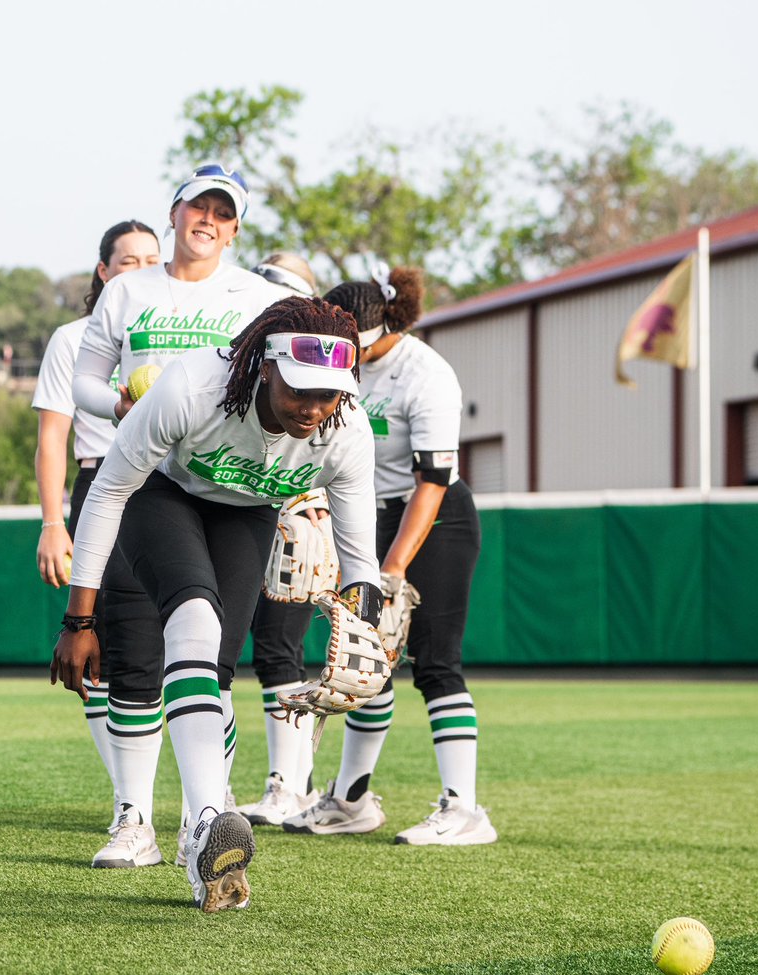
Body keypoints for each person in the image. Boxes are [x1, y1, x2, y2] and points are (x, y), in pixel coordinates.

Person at [51, 296, 383, 912]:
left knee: (217, 676)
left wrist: (368, 625)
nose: (314, 408)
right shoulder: (191, 387)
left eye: (329, 392)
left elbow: (360, 559)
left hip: (246, 513)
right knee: (194, 626)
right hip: (161, 494)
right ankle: (209, 819)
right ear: (264, 366)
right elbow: (108, 492)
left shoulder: (346, 431)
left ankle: (199, 828)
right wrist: (80, 619)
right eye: (300, 390)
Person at [70, 165, 285, 867]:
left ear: (235, 228)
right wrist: (117, 406)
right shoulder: (128, 289)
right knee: (134, 653)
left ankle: (208, 812)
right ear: (175, 210)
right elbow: (85, 376)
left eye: (224, 215)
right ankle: (134, 819)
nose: (210, 222)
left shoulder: (257, 294)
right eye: (201, 207)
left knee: (212, 662)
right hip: (141, 479)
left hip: (227, 486)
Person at [282, 265, 497, 845]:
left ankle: (465, 808)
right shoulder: (337, 366)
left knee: (435, 663)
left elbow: (433, 480)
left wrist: (394, 567)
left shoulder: (426, 374)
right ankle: (352, 800)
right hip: (365, 516)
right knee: (364, 663)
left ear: (379, 329)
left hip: (434, 518)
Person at [33, 220, 161, 793]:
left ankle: (209, 795)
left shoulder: (175, 331)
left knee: (187, 641)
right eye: (127, 260)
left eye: (151, 259)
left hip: (169, 487)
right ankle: (129, 798)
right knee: (101, 644)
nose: (141, 268)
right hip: (99, 486)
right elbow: (52, 437)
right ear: (103, 271)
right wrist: (53, 522)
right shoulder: (72, 338)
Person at [239, 253, 327, 826]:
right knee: (248, 651)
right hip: (241, 512)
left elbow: (335, 448)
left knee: (279, 652)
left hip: (297, 510)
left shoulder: (320, 358)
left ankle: (290, 785)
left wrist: (320, 514)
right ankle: (297, 783)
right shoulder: (248, 358)